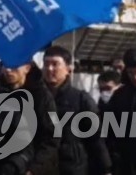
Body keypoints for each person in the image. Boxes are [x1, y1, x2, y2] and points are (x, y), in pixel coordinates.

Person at [42, 46, 112, 175]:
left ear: (68, 68)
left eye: (55, 64)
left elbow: (96, 138)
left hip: (73, 167)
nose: (50, 69)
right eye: (46, 64)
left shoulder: (80, 99)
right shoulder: (35, 98)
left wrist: (105, 168)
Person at [0, 58, 59, 175]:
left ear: (27, 68)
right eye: (5, 66)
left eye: (14, 66)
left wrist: (34, 169)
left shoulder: (43, 96)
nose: (9, 71)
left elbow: (53, 136)